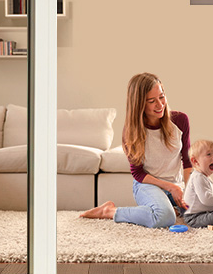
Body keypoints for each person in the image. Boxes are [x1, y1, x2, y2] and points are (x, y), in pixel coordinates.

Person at [79, 72, 192, 228]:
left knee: (200, 212)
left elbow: (187, 161)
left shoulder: (180, 120)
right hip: (148, 186)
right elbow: (138, 173)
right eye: (151, 101)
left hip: (177, 185)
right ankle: (109, 211)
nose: (160, 105)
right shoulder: (131, 132)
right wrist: (170, 187)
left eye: (161, 97)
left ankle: (170, 207)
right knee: (165, 217)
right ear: (139, 104)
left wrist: (189, 190)